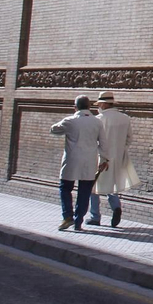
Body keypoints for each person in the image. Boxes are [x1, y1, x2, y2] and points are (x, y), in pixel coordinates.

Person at [50, 95, 104, 231]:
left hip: (72, 160)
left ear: (75, 107)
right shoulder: (97, 122)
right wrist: (104, 160)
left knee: (65, 188)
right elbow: (104, 143)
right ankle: (78, 220)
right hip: (89, 161)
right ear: (89, 106)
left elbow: (54, 130)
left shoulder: (70, 121)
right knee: (84, 191)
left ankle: (68, 216)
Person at [87, 91, 136, 228]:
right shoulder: (125, 118)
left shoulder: (98, 119)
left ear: (103, 104)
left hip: (100, 157)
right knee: (111, 185)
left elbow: (94, 140)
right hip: (118, 157)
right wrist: (120, 149)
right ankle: (116, 207)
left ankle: (95, 216)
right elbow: (129, 138)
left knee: (93, 187)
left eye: (99, 104)